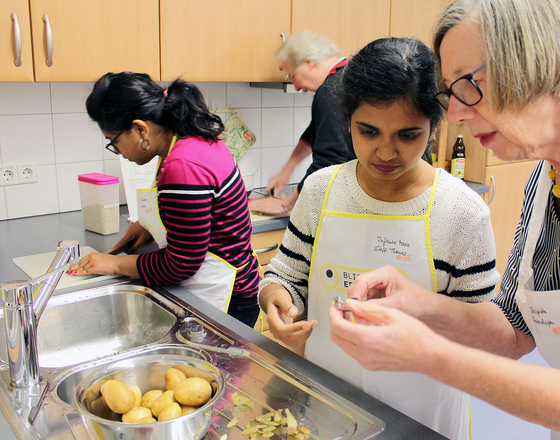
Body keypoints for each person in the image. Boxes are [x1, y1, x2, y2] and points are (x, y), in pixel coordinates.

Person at [329, 1, 560, 439]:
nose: (457, 115)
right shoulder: (551, 174)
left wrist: (427, 355)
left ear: (537, 58)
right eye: (452, 93)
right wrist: (417, 302)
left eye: (469, 84)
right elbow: (514, 331)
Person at [258, 37, 500, 439]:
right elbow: (284, 275)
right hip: (328, 400)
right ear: (347, 120)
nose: (385, 151)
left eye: (408, 135)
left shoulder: (461, 212)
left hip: (422, 413)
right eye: (368, 131)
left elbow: (483, 331)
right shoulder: (320, 191)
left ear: (434, 127)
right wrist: (277, 302)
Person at [68, 72, 261, 327]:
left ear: (140, 129)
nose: (118, 152)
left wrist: (114, 264)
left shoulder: (182, 165)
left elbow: (181, 264)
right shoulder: (189, 140)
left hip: (223, 299)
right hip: (234, 288)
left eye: (113, 142)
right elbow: (199, 216)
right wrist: (152, 225)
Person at [249, 30, 355, 216]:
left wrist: (286, 204)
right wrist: (287, 170)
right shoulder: (350, 76)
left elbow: (328, 163)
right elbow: (316, 131)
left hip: (348, 204)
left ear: (308, 62)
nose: (296, 86)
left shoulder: (331, 90)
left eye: (292, 75)